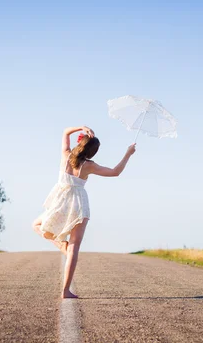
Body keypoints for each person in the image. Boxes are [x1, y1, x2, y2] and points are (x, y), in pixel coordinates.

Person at [32, 126, 136, 298]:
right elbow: (115, 172)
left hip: (60, 201)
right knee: (73, 247)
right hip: (79, 203)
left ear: (80, 143)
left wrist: (81, 127)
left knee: (37, 225)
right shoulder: (89, 166)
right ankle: (65, 290)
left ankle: (62, 248)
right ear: (92, 152)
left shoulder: (66, 155)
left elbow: (65, 131)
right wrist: (128, 153)